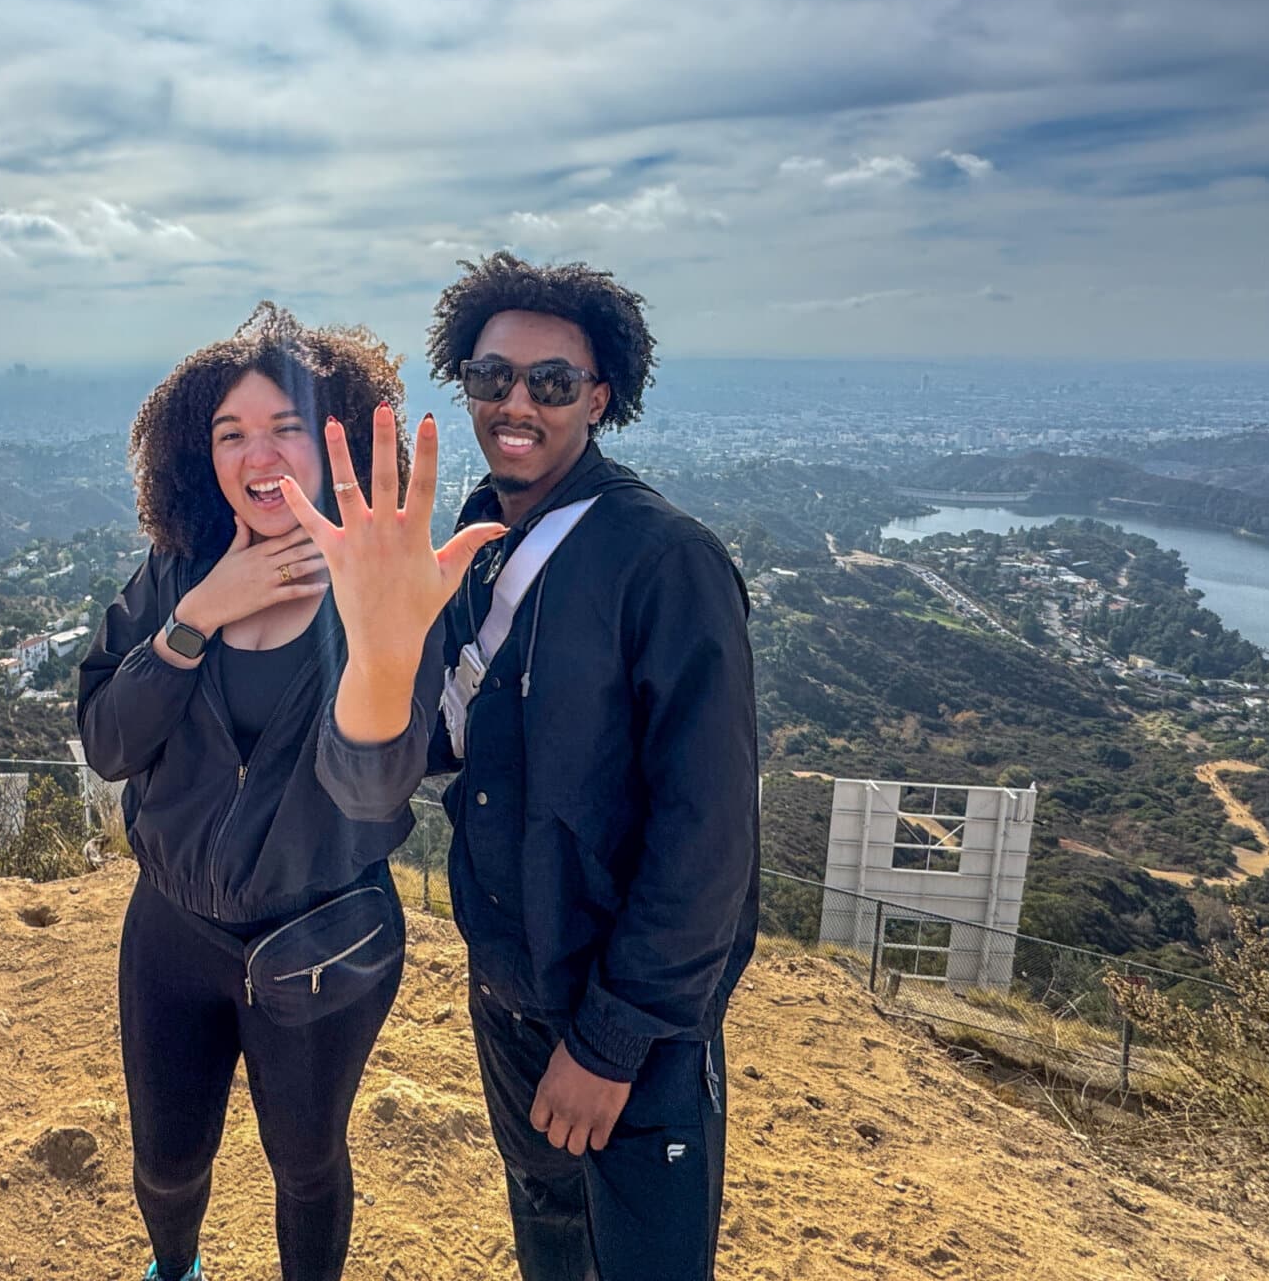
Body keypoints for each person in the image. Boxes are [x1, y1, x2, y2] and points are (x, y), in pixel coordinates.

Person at [294, 252, 759, 1281]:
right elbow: (404, 771)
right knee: (548, 1246)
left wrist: (610, 1043)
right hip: (507, 996)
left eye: (550, 383)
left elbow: (708, 839)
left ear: (598, 399)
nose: (517, 403)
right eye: (490, 377)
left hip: (631, 1033)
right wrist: (375, 648)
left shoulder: (661, 562)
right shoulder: (467, 546)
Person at [79, 303, 500, 1281]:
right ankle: (172, 1268)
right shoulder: (177, 569)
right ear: (199, 451)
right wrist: (192, 619)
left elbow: (370, 794)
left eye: (284, 427)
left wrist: (384, 656)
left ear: (335, 443)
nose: (255, 451)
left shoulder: (382, 588)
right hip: (171, 929)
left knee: (305, 1164)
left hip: (326, 940)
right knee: (165, 1162)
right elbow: (107, 743)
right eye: (230, 432)